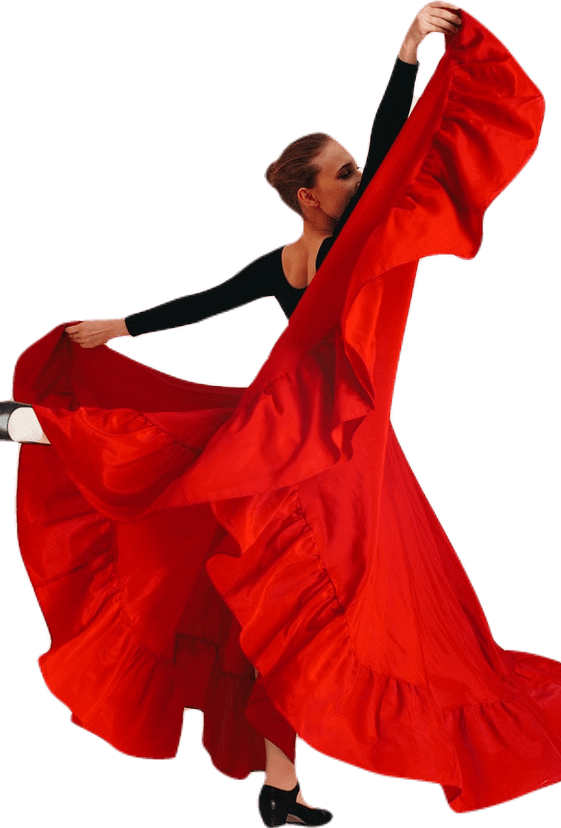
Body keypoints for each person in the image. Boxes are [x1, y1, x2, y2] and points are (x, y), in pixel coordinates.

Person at [1, 4, 463, 825]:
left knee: (288, 603)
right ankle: (41, 425)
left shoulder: (295, 256)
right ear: (309, 198)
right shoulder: (331, 245)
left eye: (357, 170)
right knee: (221, 489)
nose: (362, 180)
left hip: (318, 433)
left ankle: (282, 788)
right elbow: (206, 302)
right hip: (326, 440)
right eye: (346, 174)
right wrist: (404, 55)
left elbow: (204, 302)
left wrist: (119, 326)